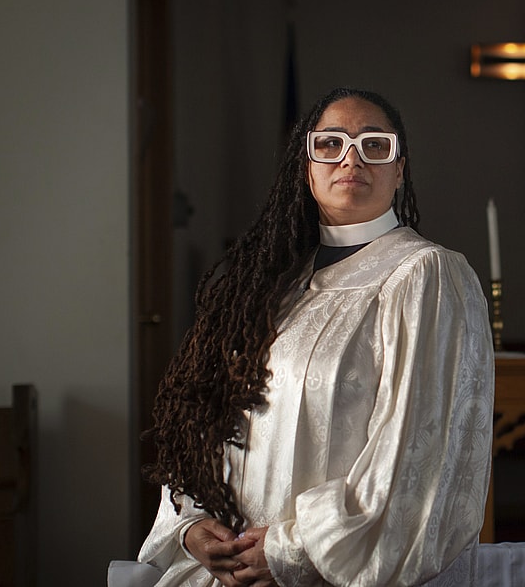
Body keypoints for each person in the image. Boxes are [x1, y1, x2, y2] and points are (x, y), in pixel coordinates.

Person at [138, 87, 495, 586]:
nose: (351, 158)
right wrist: (192, 525)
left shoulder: (424, 276)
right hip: (227, 572)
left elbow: (420, 461)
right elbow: (207, 419)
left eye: (374, 145)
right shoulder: (268, 285)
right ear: (306, 166)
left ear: (399, 170)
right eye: (330, 143)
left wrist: (289, 550)